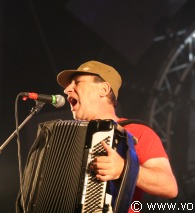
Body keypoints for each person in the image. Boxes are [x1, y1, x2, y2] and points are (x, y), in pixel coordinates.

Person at [56, 60, 178, 211]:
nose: (67, 89)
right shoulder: (64, 138)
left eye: (77, 82)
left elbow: (169, 186)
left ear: (104, 89)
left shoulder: (136, 131)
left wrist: (124, 168)